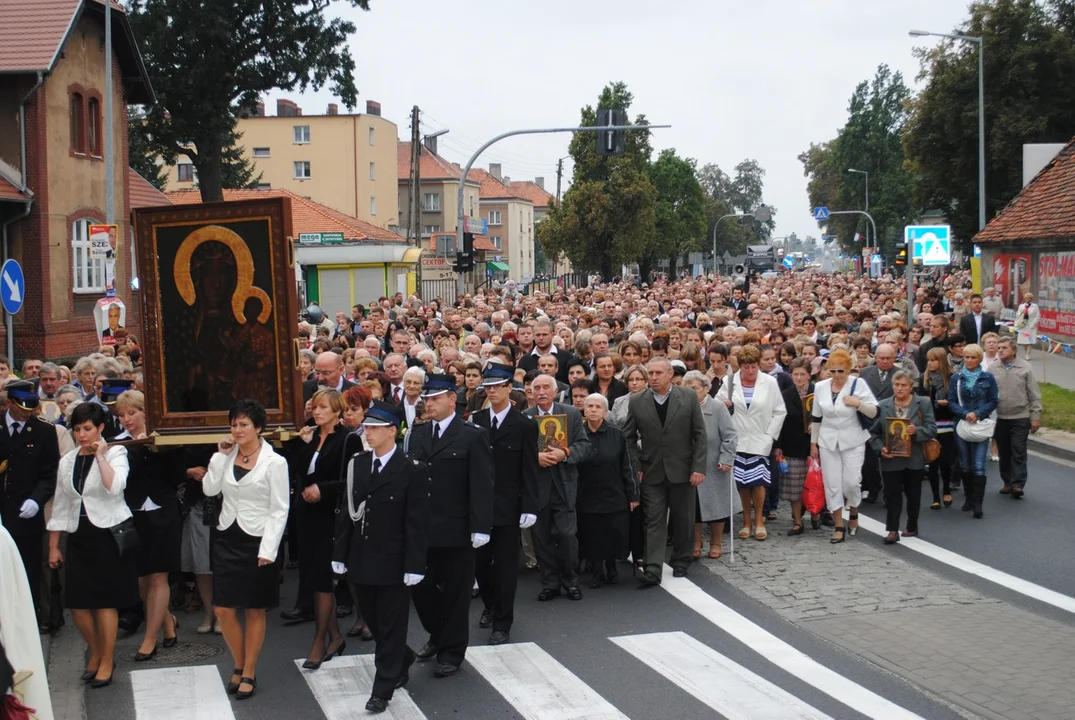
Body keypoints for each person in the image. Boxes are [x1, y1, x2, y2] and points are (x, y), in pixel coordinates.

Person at [332, 405, 430, 714]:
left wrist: (415, 564)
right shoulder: (357, 464)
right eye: (366, 427)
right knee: (373, 619)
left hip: (394, 559)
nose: (368, 432)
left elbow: (416, 521)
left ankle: (382, 688)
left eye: (375, 427)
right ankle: (403, 657)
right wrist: (340, 554)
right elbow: (347, 513)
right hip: (362, 557)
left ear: (393, 431)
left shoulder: (411, 468)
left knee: (390, 625)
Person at [200, 400, 290, 700]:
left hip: (258, 541)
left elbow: (280, 509)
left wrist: (269, 549)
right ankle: (238, 664)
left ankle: (248, 670)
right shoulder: (226, 456)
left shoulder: (275, 462)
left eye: (243, 425)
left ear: (258, 428)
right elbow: (210, 490)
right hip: (227, 537)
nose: (237, 430)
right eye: (234, 424)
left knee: (254, 609)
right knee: (223, 609)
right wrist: (218, 456)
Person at [407, 374, 494, 678]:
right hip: (423, 528)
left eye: (433, 398)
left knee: (456, 594)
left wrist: (481, 526)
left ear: (450, 399)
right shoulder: (417, 435)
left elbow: (482, 484)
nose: (427, 403)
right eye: (425, 399)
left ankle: (452, 651)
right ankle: (437, 634)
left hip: (457, 529)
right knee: (420, 586)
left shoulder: (472, 435)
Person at [47, 402, 137, 688]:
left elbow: (116, 486)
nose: (82, 435)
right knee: (77, 605)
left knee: (104, 604)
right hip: (79, 534)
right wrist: (54, 545)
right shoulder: (68, 460)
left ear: (100, 428)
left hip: (107, 534)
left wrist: (101, 457)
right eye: (77, 430)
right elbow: (61, 504)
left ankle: (107, 659)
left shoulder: (117, 452)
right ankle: (96, 650)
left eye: (87, 429)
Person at [622, 358, 707, 586]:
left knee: (683, 519)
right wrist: (636, 465)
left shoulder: (687, 397)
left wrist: (698, 467)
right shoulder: (638, 401)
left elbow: (699, 434)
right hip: (651, 470)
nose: (654, 377)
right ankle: (652, 569)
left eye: (659, 372)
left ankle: (681, 560)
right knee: (653, 520)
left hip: (683, 469)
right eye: (650, 373)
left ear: (670, 374)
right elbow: (628, 436)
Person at [470, 364, 539, 644]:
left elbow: (530, 469)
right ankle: (491, 604)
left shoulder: (524, 424)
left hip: (510, 506)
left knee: (506, 567)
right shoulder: (476, 420)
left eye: (498, 386)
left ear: (510, 388)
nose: (492, 391)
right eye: (488, 387)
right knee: (481, 564)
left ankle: (503, 622)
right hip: (479, 506)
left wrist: (530, 506)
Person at [114, 390, 182, 660]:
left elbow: (176, 476)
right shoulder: (117, 444)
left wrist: (153, 449)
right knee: (142, 580)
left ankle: (149, 638)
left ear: (145, 411)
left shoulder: (164, 439)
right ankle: (167, 622)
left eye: (132, 413)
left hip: (163, 513)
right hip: (132, 515)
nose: (127, 419)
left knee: (158, 577)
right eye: (121, 415)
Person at [288, 389, 348, 669]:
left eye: (323, 407)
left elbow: (348, 479)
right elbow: (298, 471)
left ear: (337, 411)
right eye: (314, 407)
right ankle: (336, 636)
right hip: (307, 515)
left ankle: (319, 640)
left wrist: (321, 490)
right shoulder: (311, 436)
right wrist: (302, 445)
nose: (317, 411)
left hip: (329, 517)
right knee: (312, 576)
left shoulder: (348, 439)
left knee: (324, 579)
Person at [524, 375, 592, 598]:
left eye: (546, 387)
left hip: (564, 485)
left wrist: (565, 453)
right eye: (537, 388)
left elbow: (584, 445)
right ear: (531, 393)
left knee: (566, 535)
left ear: (555, 391)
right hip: (538, 487)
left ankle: (571, 580)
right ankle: (550, 583)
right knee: (541, 538)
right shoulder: (525, 418)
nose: (541, 392)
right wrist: (536, 457)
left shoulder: (570, 414)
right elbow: (518, 453)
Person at [0, 380, 59, 630]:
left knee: (29, 569)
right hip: (2, 511)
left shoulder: (44, 431)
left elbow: (50, 472)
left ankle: (29, 619)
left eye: (31, 406)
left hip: (27, 514)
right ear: (9, 403)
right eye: (22, 406)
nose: (28, 411)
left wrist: (37, 499)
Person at [717, 346, 786, 542]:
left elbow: (780, 411)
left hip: (760, 439)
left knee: (758, 482)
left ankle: (759, 521)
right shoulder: (729, 382)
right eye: (746, 367)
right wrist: (725, 405)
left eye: (754, 366)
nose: (750, 371)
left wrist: (769, 436)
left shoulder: (770, 382)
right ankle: (746, 522)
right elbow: (717, 405)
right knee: (742, 484)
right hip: (737, 440)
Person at [810, 348, 878, 544]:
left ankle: (854, 509)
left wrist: (858, 404)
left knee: (851, 482)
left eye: (841, 371)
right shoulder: (821, 387)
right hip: (827, 439)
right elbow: (816, 417)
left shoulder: (858, 384)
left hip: (853, 439)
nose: (837, 375)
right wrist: (813, 443)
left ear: (848, 370)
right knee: (832, 484)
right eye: (833, 371)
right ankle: (839, 525)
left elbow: (874, 412)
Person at [576, 394, 638, 588]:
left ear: (605, 411)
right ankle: (597, 572)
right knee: (592, 534)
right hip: (586, 493)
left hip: (614, 492)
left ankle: (612, 566)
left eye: (598, 407)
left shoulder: (617, 434)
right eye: (590, 406)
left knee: (613, 532)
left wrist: (633, 494)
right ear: (584, 411)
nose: (593, 410)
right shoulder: (577, 433)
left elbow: (628, 465)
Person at [870, 371, 936, 544]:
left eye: (903, 385)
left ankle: (912, 525)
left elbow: (932, 429)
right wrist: (880, 448)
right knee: (892, 495)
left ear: (911, 387)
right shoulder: (883, 405)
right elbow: (873, 433)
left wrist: (917, 431)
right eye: (896, 385)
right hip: (891, 458)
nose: (899, 389)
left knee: (913, 494)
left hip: (914, 458)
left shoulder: (923, 403)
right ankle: (892, 529)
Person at [682, 371, 737, 558]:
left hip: (715, 464)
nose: (691, 392)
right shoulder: (682, 407)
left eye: (695, 388)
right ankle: (696, 542)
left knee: (717, 506)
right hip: (690, 464)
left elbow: (730, 436)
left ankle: (716, 542)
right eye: (687, 388)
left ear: (706, 389)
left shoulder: (718, 408)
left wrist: (726, 459)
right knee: (694, 506)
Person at [947, 344, 999, 519]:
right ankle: (968, 498)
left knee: (979, 465)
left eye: (973, 357)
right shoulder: (957, 378)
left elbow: (993, 400)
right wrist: (964, 414)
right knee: (966, 464)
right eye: (966, 357)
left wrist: (977, 413)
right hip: (962, 424)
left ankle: (978, 503)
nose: (969, 361)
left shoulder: (988, 378)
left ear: (979, 359)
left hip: (980, 424)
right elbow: (952, 401)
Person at [991, 337, 1041, 499]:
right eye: (999, 348)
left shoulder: (1025, 368)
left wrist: (1035, 416)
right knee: (1004, 451)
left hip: (1020, 416)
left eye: (1004, 348)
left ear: (1013, 350)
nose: (1000, 350)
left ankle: (1018, 484)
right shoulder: (992, 369)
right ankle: (1007, 482)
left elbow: (1034, 394)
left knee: (1018, 450)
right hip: (999, 417)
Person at [774, 358, 816, 534]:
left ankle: (816, 513)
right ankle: (798, 520)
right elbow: (779, 421)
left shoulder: (818, 392)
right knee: (795, 486)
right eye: (795, 374)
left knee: (816, 482)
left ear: (809, 375)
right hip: (792, 444)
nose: (799, 378)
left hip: (815, 444)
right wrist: (778, 445)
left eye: (802, 374)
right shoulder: (785, 395)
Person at [918, 347, 957, 508]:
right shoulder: (924, 379)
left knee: (945, 461)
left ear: (941, 361)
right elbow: (919, 400)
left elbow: (955, 400)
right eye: (928, 360)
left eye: (934, 360)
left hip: (946, 423)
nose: (930, 363)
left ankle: (946, 489)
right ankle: (935, 497)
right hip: (930, 423)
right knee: (932, 460)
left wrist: (947, 404)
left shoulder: (952, 378)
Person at [1013, 292, 1040, 359]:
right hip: (1023, 325)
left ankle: (1028, 354)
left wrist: (1033, 323)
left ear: (1031, 299)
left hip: (1031, 325)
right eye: (1026, 298)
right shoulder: (1021, 306)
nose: (1027, 299)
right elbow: (1017, 314)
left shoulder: (1035, 306)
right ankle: (1026, 351)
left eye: (1029, 298)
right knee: (1024, 341)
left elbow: (1038, 316)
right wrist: (1022, 313)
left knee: (1030, 341)